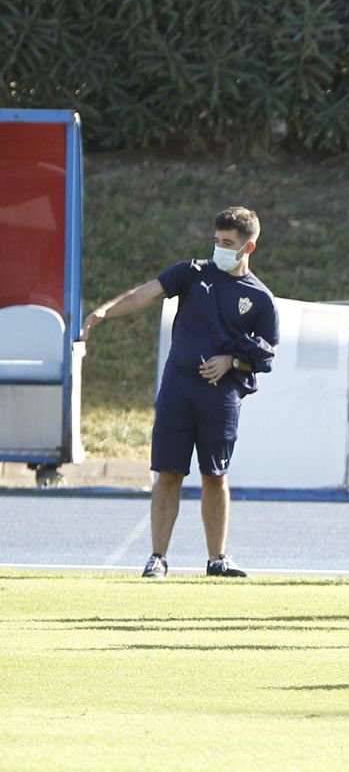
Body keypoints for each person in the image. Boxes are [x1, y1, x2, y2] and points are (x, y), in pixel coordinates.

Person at [82, 206, 278, 579]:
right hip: (177, 389)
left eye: (227, 243)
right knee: (167, 473)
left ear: (247, 247)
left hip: (220, 398)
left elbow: (268, 353)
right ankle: (158, 557)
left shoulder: (260, 298)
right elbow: (146, 293)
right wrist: (106, 311)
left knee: (215, 476)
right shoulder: (192, 272)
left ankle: (216, 558)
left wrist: (231, 362)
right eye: (216, 240)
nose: (218, 248)